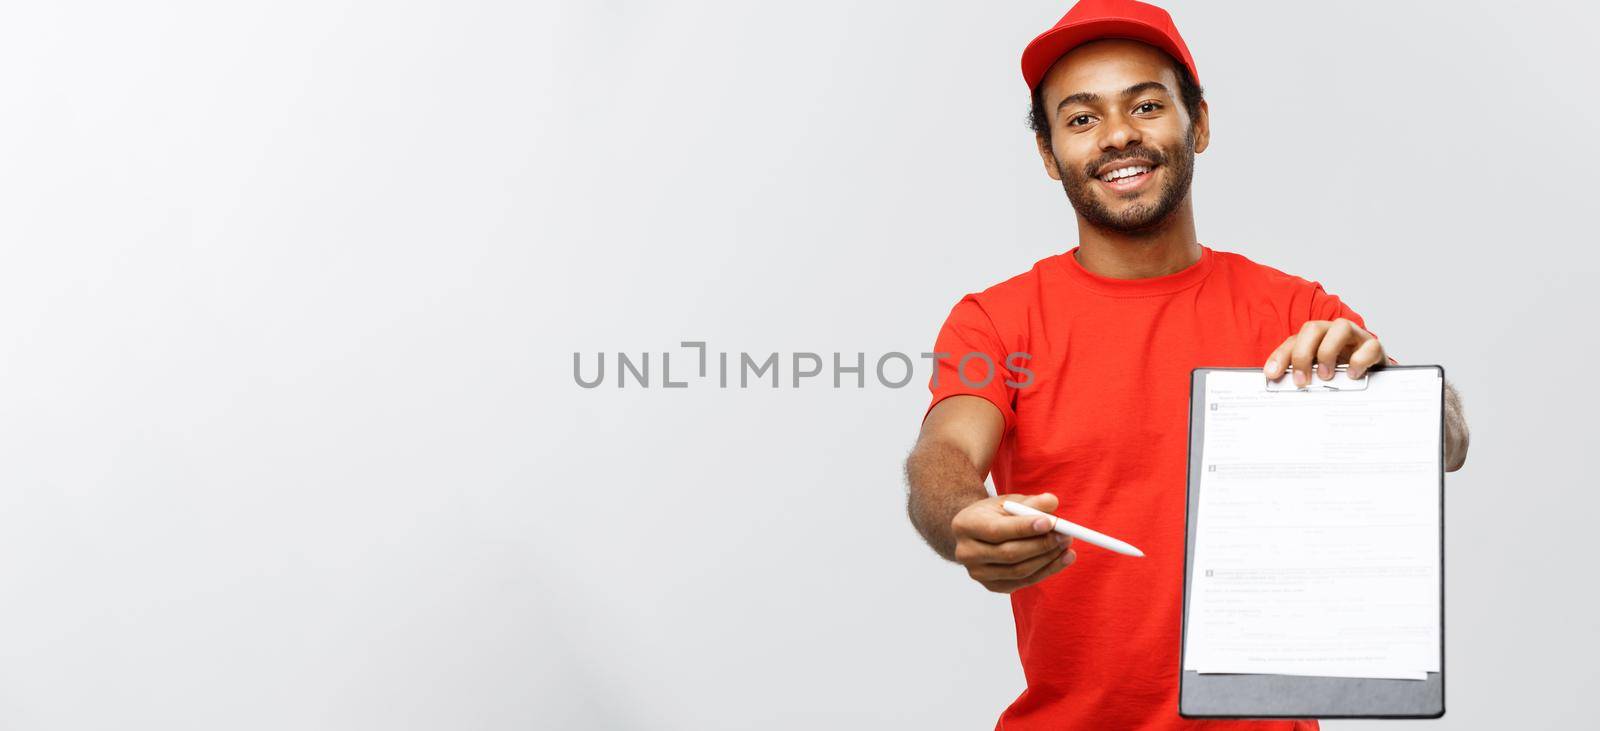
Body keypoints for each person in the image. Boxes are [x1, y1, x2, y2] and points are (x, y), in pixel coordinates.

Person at [902, 1, 1471, 729]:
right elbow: (944, 450)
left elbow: (1447, 439)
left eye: (1146, 104)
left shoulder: (1295, 310)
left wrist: (1400, 391)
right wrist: (960, 514)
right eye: (1080, 119)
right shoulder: (996, 320)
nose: (1118, 136)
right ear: (1049, 156)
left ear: (1198, 122)